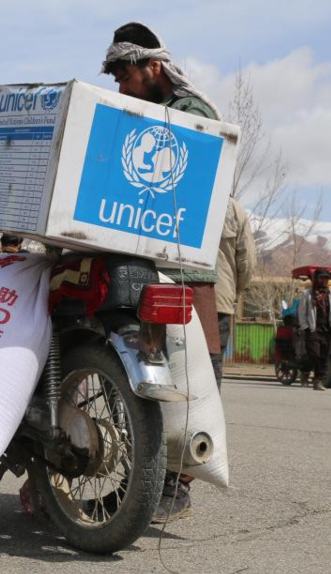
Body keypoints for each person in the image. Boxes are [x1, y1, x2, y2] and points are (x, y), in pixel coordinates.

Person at [102, 22, 226, 524]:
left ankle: (176, 484)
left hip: (185, 267)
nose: (121, 87)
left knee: (196, 377)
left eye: (126, 75)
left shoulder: (192, 116)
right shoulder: (142, 116)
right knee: (139, 375)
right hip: (142, 259)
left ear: (154, 69)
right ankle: (139, 481)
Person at [213, 199, 256, 387]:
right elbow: (247, 261)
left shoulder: (176, 192)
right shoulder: (232, 207)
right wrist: (234, 290)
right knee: (211, 363)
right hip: (217, 300)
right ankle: (208, 415)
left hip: (169, 295)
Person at [297, 269, 331, 391]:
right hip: (313, 328)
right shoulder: (308, 294)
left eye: (326, 278)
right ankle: (305, 371)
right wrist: (305, 327)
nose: (324, 281)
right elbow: (302, 312)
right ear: (316, 279)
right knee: (314, 354)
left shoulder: (330, 294)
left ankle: (318, 381)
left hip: (327, 329)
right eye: (321, 278)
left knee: (324, 356)